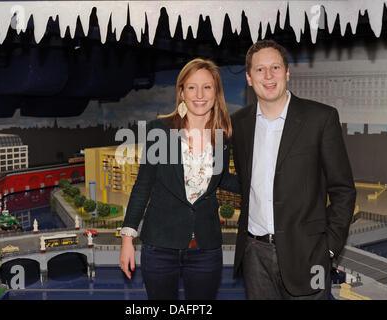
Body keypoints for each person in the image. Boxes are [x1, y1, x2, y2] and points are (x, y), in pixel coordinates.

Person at [231, 40, 356, 300]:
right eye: (260, 70)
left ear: (287, 73)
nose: (268, 76)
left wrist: (329, 249)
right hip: (255, 254)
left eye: (275, 67)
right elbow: (246, 183)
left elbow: (343, 189)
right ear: (249, 78)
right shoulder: (239, 123)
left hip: (309, 254)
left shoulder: (321, 118)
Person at [119, 58, 240, 300]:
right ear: (182, 92)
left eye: (207, 87)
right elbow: (143, 185)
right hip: (160, 246)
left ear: (216, 93)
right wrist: (127, 240)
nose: (199, 94)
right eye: (192, 87)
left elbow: (223, 179)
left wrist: (263, 183)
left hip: (206, 248)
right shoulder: (159, 130)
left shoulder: (222, 136)